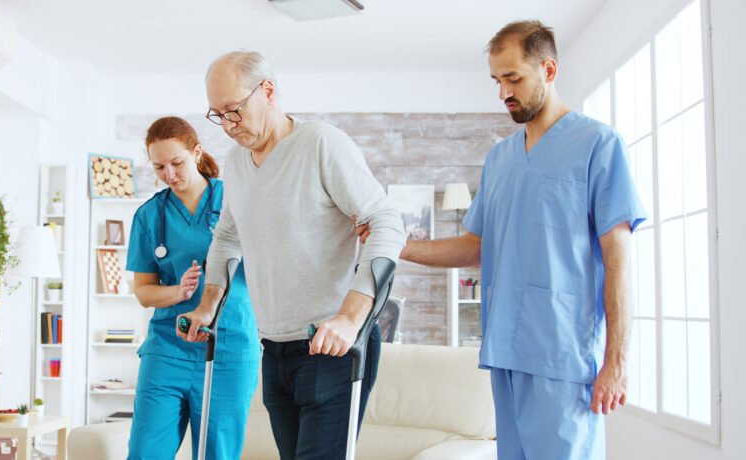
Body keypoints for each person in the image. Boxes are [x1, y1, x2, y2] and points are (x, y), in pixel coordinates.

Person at [379, 20, 646, 459]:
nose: (503, 92)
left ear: (549, 70)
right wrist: (398, 246)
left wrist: (616, 360)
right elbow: (475, 246)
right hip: (505, 351)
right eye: (496, 80)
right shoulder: (500, 159)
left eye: (513, 78)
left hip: (562, 355)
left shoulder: (599, 145)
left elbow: (618, 260)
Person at [178, 51, 406, 459]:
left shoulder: (320, 143)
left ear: (267, 90)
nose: (228, 125)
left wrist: (349, 318)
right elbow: (227, 237)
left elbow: (386, 222)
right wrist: (208, 307)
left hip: (331, 347)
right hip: (274, 348)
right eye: (218, 115)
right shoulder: (237, 162)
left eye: (234, 110)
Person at [125, 116, 260, 460]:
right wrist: (178, 293)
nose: (169, 174)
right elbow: (144, 291)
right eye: (159, 167)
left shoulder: (237, 199)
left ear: (196, 152)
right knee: (144, 453)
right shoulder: (149, 216)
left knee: (217, 454)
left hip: (228, 347)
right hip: (166, 349)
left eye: (177, 163)